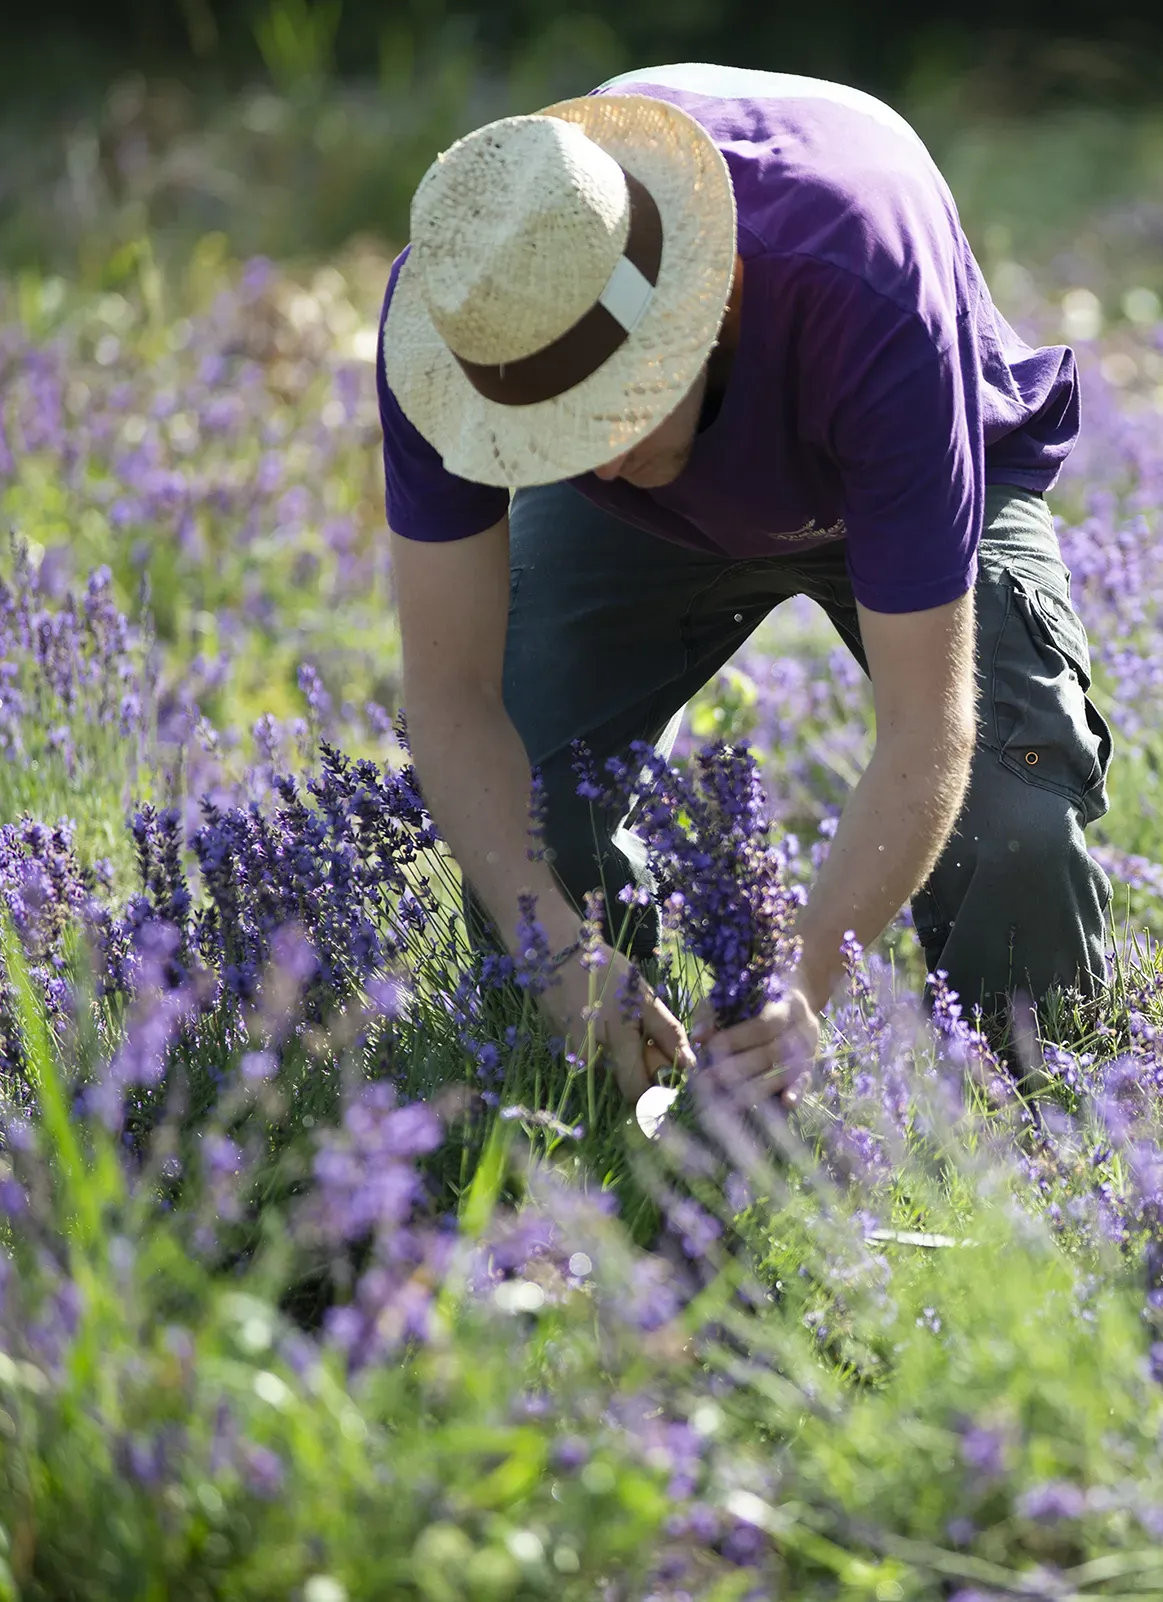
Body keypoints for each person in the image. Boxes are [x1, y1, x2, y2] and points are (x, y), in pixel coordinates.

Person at [377, 65, 1112, 1109]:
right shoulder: (474, 313)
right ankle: (592, 1092)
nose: (593, 456)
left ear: (699, 307)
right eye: (555, 437)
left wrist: (803, 984)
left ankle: (1045, 1113)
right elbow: (452, 701)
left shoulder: (859, 286)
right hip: (648, 523)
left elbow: (925, 726)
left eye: (614, 411)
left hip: (874, 452)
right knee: (533, 821)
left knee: (1016, 823)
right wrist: (556, 952)